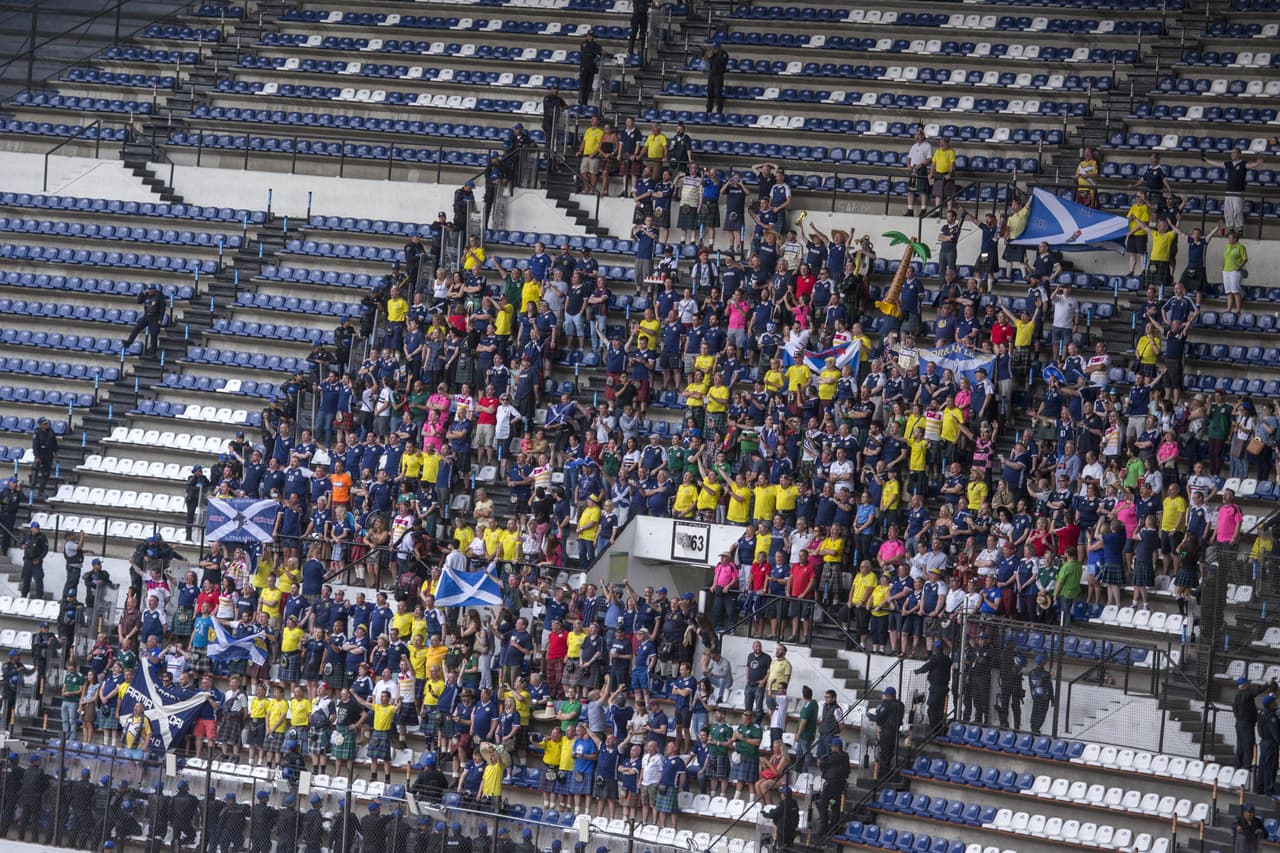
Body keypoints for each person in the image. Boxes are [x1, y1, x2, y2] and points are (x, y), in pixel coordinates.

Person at [1204, 146, 1267, 234]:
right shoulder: (1229, 164)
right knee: (1228, 211)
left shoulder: (1243, 164)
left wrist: (1257, 163)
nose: (1232, 154)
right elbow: (1218, 164)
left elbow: (1252, 165)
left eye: (1234, 153)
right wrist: (1207, 160)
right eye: (1231, 153)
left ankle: (1240, 229)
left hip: (1238, 191)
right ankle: (1231, 229)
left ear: (1239, 154)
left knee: (1238, 211)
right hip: (1229, 191)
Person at [913, 640, 951, 734]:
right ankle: (940, 729)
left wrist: (917, 671)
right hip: (944, 688)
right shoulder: (948, 659)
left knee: (932, 709)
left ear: (935, 649)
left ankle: (934, 729)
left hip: (935, 688)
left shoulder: (934, 659)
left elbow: (925, 668)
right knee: (940, 710)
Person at [1234, 677, 1273, 769]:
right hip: (1246, 724)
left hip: (1239, 723)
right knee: (1248, 744)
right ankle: (1246, 766)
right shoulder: (1246, 695)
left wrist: (1239, 718)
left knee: (1240, 745)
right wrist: (1268, 684)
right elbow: (1256, 692)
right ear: (1244, 685)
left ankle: (1238, 765)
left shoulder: (1237, 696)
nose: (1249, 684)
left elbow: (1234, 709)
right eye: (1247, 683)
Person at [124, 282, 166, 358]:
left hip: (155, 317)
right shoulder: (146, 294)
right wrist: (142, 293)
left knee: (153, 334)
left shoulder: (159, 296)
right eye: (148, 290)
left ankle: (153, 353)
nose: (148, 292)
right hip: (146, 316)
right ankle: (128, 342)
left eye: (150, 290)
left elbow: (162, 308)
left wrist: (160, 319)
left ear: (154, 290)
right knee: (137, 327)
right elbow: (138, 301)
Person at [870, 686, 904, 778]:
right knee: (888, 754)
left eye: (886, 695)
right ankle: (885, 773)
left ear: (890, 696)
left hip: (887, 732)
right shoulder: (900, 704)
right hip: (893, 732)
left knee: (884, 754)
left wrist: (869, 716)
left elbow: (878, 717)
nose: (885, 697)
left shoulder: (889, 705)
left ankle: (883, 775)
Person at [1257, 694, 1280, 796]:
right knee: (1270, 767)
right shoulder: (1271, 717)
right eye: (1274, 702)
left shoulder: (1262, 714)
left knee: (1262, 766)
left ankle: (1260, 788)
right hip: (1271, 744)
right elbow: (1275, 733)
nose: (1276, 703)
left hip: (1264, 742)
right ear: (1270, 704)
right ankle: (1269, 789)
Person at [30, 417, 57, 500]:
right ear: (40, 425)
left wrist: (56, 452)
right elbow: (35, 445)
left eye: (46, 423)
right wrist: (37, 456)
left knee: (46, 474)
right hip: (40, 454)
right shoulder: (37, 432)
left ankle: (41, 491)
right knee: (35, 470)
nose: (46, 425)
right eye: (44, 424)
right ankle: (32, 486)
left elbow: (54, 442)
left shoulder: (51, 431)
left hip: (48, 454)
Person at [19, 521, 48, 599]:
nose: (37, 529)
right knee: (26, 579)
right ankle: (24, 595)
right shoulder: (27, 536)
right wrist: (22, 546)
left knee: (38, 579)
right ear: (32, 528)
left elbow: (45, 550)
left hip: (36, 561)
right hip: (27, 561)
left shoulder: (42, 537)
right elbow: (21, 544)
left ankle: (39, 596)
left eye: (38, 528)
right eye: (35, 528)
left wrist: (39, 558)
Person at [1027, 655, 1054, 734]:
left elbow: (1031, 686)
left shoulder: (1031, 673)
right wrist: (1052, 699)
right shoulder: (1046, 674)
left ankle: (1033, 728)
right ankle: (1036, 729)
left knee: (1035, 711)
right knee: (1041, 714)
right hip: (1044, 697)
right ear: (1043, 663)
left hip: (1035, 696)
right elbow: (1050, 687)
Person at [578, 31, 602, 106]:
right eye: (589, 35)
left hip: (591, 68)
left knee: (588, 86)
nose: (590, 37)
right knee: (583, 85)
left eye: (592, 36)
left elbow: (600, 51)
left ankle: (585, 102)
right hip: (584, 67)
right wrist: (596, 53)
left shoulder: (596, 45)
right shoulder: (584, 44)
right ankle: (581, 101)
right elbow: (588, 51)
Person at [704, 41, 729, 114]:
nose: (715, 49)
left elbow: (721, 62)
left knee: (718, 93)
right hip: (711, 75)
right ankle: (709, 110)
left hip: (718, 75)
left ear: (719, 47)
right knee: (710, 93)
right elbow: (707, 60)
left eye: (716, 47)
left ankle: (719, 111)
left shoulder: (724, 54)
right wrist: (708, 57)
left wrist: (713, 56)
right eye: (714, 47)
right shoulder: (712, 54)